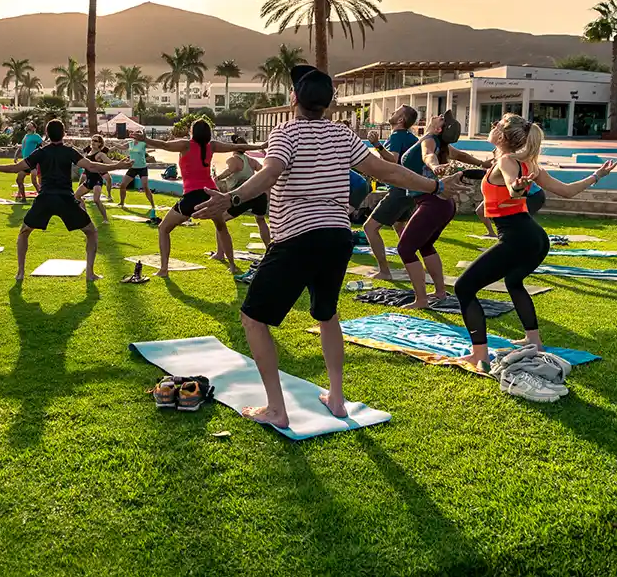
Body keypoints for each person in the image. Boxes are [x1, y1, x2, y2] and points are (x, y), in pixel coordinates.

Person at [192, 66, 466, 424]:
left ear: (294, 99)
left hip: (298, 236)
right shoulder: (342, 135)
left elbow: (271, 172)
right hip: (337, 237)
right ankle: (336, 398)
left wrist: (232, 198)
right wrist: (436, 186)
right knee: (327, 314)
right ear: (329, 105)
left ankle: (277, 409)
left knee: (253, 319)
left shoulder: (285, 133)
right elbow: (389, 172)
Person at [456, 115, 616, 372]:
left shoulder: (508, 161)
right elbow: (567, 190)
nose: (492, 126)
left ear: (503, 136)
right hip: (535, 239)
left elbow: (511, 186)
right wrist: (597, 175)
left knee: (464, 287)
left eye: (496, 125)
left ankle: (479, 355)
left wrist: (517, 189)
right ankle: (534, 340)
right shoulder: (527, 163)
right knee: (513, 281)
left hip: (517, 237)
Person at [0, 119, 130, 281]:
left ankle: (20, 273)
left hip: (45, 199)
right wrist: (116, 165)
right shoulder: (69, 151)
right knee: (91, 232)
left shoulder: (41, 152)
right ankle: (90, 274)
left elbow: (15, 168)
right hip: (66, 199)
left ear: (47, 134)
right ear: (64, 134)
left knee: (24, 232)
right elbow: (92, 166)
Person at [133, 123, 265, 278]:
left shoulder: (186, 144)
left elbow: (164, 145)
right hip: (212, 193)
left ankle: (163, 269)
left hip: (192, 195)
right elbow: (234, 146)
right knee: (221, 228)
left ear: (192, 132)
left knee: (163, 229)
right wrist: (261, 145)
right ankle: (232, 266)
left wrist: (145, 139)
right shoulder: (212, 145)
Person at [395, 111, 490, 309]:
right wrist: (482, 163)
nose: (437, 115)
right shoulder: (442, 145)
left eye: (440, 117)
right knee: (426, 246)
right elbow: (462, 155)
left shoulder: (430, 140)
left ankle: (421, 299)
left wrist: (435, 167)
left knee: (405, 248)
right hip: (442, 204)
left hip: (433, 203)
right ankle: (439, 292)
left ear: (438, 128)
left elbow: (427, 155)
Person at [363, 106, 428, 278]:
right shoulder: (412, 138)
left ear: (401, 120)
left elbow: (394, 159)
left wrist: (377, 145)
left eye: (395, 112)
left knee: (370, 228)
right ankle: (418, 266)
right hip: (410, 192)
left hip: (399, 191)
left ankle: (384, 271)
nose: (391, 113)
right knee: (400, 227)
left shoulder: (397, 136)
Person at [211, 135, 270, 260]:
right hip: (258, 194)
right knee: (260, 220)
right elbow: (262, 170)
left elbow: (231, 170)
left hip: (244, 195)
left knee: (220, 220)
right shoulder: (250, 160)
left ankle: (220, 253)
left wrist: (218, 178)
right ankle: (269, 249)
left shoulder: (234, 159)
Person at [75, 135, 113, 222]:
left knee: (96, 200)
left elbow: (110, 163)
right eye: (92, 140)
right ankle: (86, 216)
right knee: (76, 196)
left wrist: (122, 164)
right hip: (88, 180)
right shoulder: (89, 152)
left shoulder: (100, 154)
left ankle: (105, 219)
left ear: (100, 143)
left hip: (97, 180)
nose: (93, 142)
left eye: (95, 141)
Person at [118, 135, 156, 212]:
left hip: (142, 168)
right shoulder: (130, 143)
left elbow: (153, 145)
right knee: (122, 185)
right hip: (133, 168)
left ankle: (152, 205)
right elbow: (122, 147)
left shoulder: (143, 143)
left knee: (145, 187)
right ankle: (121, 202)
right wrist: (114, 144)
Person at [16, 123, 43, 200]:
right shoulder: (26, 136)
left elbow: (43, 145)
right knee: (19, 180)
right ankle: (23, 198)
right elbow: (23, 147)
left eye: (30, 126)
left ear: (34, 128)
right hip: (25, 161)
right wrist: (16, 155)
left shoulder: (36, 136)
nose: (28, 127)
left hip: (32, 161)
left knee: (34, 182)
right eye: (27, 126)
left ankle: (42, 197)